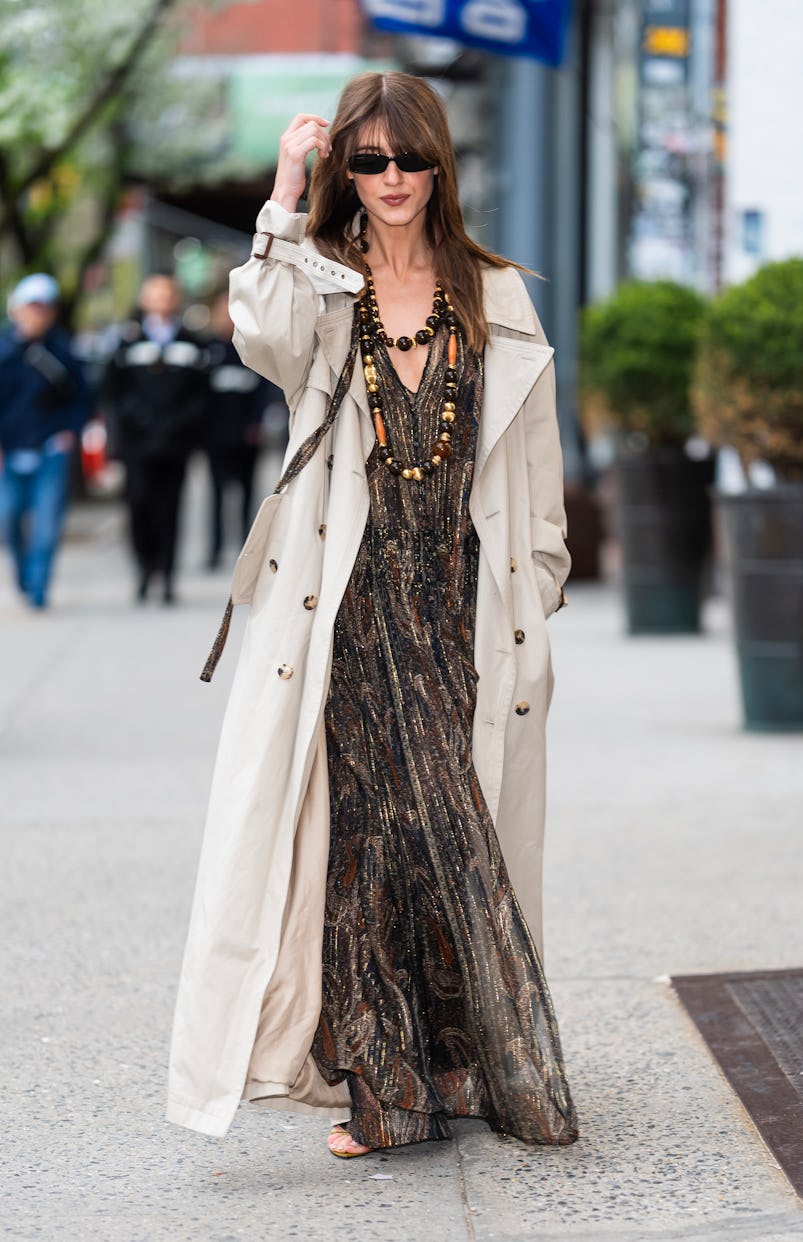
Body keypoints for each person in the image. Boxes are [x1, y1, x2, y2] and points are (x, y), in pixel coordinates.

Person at [168, 73, 578, 1157]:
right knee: (363, 844)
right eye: (370, 162)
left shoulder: (496, 294)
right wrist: (283, 192)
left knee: (457, 828)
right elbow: (258, 333)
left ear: (442, 163)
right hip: (344, 610)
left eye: (411, 159)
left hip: (463, 605)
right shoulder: (321, 282)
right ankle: (385, 1087)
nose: (392, 180)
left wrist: (540, 576)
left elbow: (537, 462)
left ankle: (464, 1058)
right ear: (347, 170)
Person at [102, 274, 206, 604]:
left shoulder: (192, 342)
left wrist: (178, 422)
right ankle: (144, 567)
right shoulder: (127, 340)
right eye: (154, 293)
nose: (161, 299)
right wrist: (139, 419)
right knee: (139, 505)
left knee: (170, 509)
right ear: (144, 299)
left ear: (175, 298)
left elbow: (202, 393)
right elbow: (113, 390)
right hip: (137, 442)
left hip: (175, 443)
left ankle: (168, 574)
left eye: (167, 293)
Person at [0, 274, 92, 609]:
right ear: (18, 309)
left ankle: (39, 587)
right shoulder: (4, 349)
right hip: (10, 451)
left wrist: (70, 431)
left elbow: (83, 397)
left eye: (44, 308)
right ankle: (23, 576)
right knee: (8, 519)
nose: (37, 315)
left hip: (51, 448)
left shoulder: (63, 349)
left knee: (47, 524)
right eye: (31, 307)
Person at [202, 290, 275, 569]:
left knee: (247, 494)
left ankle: (247, 547)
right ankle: (215, 548)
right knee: (216, 494)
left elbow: (265, 391)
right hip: (216, 436)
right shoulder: (208, 350)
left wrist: (256, 423)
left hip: (247, 435)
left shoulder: (253, 349)